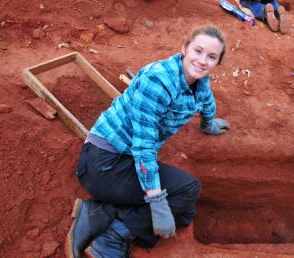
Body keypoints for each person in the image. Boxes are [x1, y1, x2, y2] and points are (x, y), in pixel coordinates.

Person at [65, 26, 230, 258]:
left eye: (211, 57)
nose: (203, 60)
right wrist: (157, 201)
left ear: (217, 62)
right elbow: (143, 146)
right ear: (184, 49)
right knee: (187, 191)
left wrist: (208, 123)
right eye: (198, 51)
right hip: (104, 164)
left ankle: (99, 212)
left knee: (183, 214)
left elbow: (205, 99)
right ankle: (111, 241)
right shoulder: (158, 80)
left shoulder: (199, 81)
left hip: (126, 162)